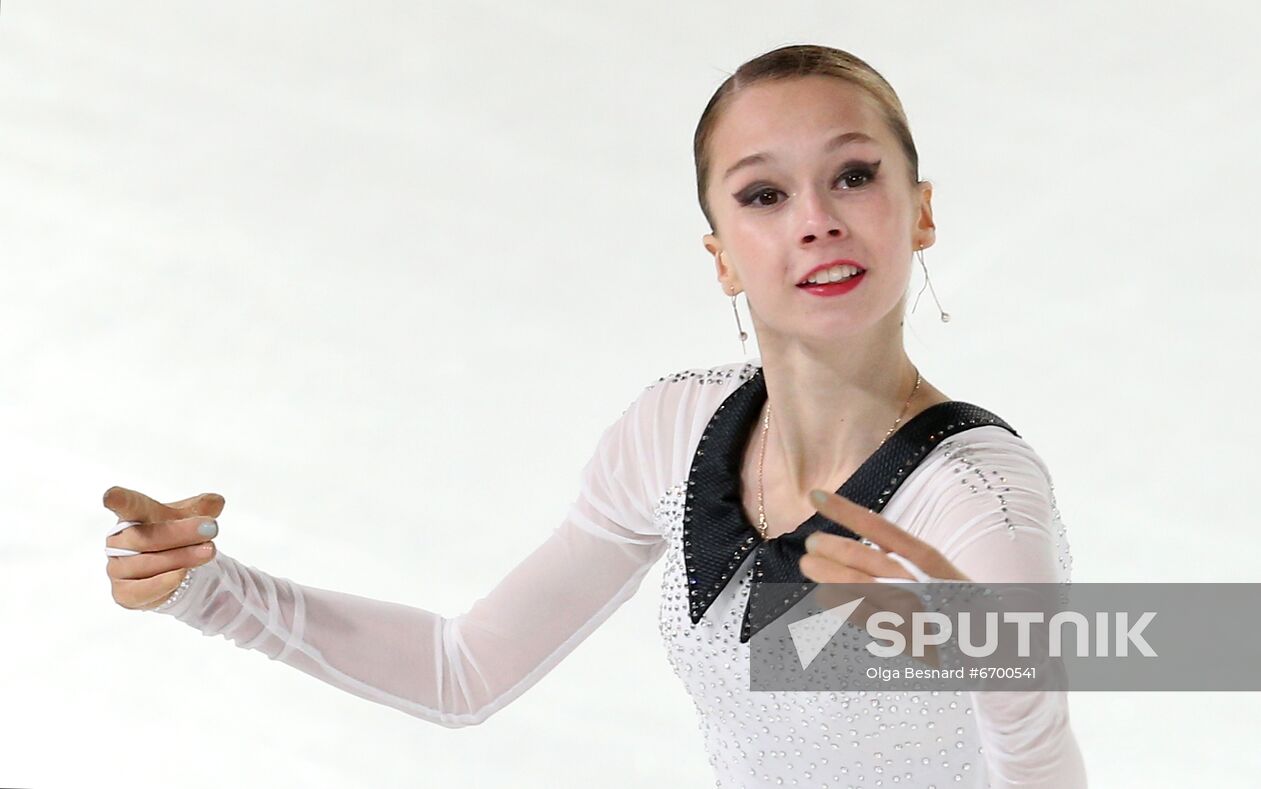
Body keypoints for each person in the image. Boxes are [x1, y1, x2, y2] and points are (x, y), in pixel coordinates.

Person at [103, 44, 1087, 788]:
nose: (814, 219)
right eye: (762, 193)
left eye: (854, 175)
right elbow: (463, 670)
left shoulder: (973, 503)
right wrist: (204, 590)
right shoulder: (675, 431)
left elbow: (1034, 760)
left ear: (919, 210)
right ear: (720, 256)